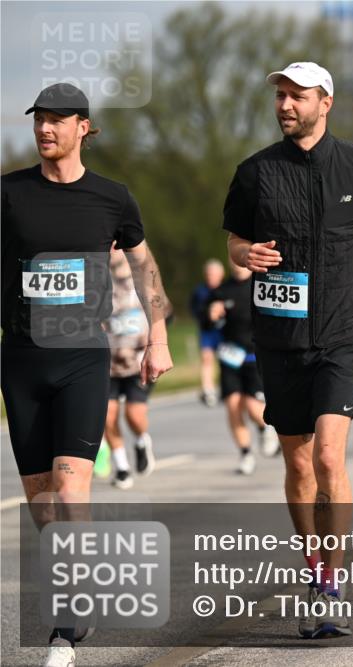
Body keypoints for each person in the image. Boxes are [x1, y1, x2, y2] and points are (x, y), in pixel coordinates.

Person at [223, 62, 353, 638]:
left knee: (327, 459)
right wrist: (244, 257)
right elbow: (235, 241)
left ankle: (330, 585)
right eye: (281, 96)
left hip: (344, 331)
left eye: (298, 96)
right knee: (296, 463)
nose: (286, 105)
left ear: (327, 102)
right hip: (280, 335)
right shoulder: (255, 172)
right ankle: (313, 564)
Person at [2, 83, 173, 667]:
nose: (45, 129)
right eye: (39, 120)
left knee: (74, 486)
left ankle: (65, 623)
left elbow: (144, 267)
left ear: (84, 128)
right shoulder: (8, 194)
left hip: (83, 358)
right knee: (41, 501)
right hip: (22, 361)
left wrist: (159, 337)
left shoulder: (112, 199)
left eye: (57, 120)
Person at [202, 258, 280, 475]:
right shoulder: (221, 291)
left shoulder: (261, 284)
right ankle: (245, 453)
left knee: (253, 406)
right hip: (230, 357)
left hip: (255, 356)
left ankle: (266, 428)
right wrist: (211, 314)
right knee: (233, 405)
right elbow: (206, 324)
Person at [106, 249, 160, 490]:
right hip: (107, 362)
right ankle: (122, 467)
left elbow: (161, 314)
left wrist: (157, 346)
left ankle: (140, 441)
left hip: (138, 360)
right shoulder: (95, 277)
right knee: (106, 415)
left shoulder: (142, 275)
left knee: (134, 415)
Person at [189, 259, 225, 406]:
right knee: (207, 358)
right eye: (209, 274)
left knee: (226, 361)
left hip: (224, 331)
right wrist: (206, 314)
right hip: (207, 331)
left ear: (221, 275)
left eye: (215, 274)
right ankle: (208, 390)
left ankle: (226, 388)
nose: (212, 277)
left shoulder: (227, 289)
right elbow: (194, 309)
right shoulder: (200, 291)